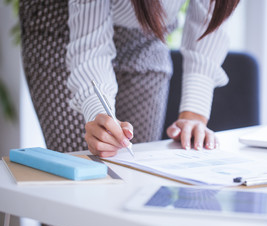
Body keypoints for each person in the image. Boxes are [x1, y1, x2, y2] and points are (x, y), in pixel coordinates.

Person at [66, 0, 240, 157]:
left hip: (151, 29)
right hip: (70, 28)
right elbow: (89, 49)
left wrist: (194, 115)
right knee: (89, 153)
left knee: (139, 161)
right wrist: (98, 112)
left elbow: (210, 19)